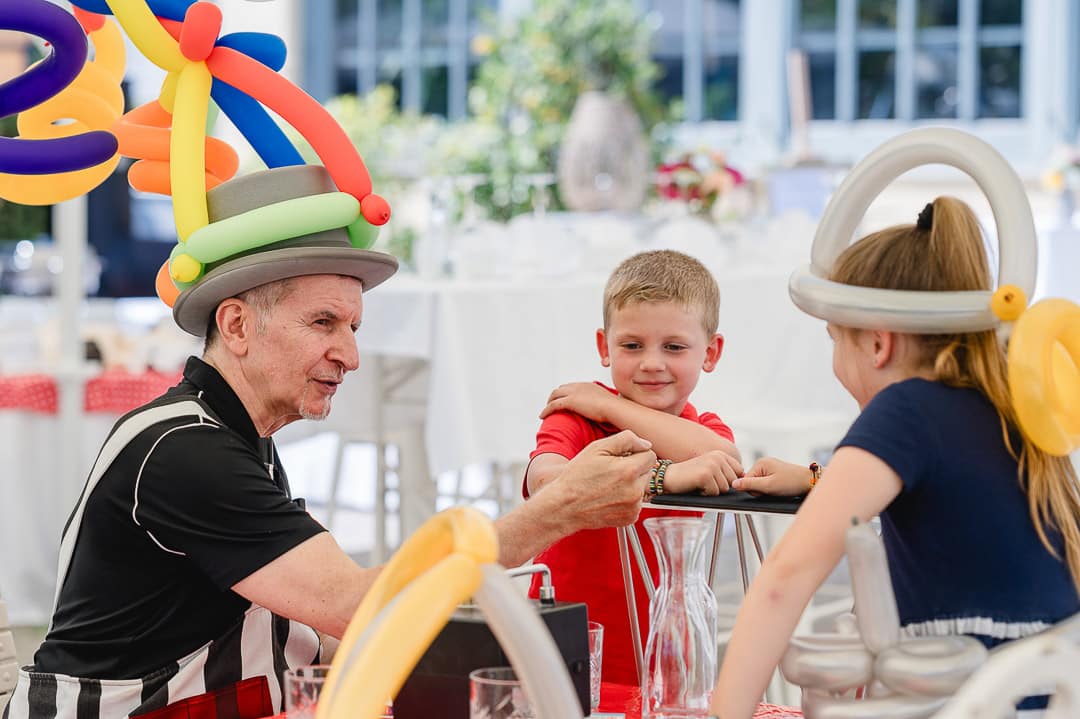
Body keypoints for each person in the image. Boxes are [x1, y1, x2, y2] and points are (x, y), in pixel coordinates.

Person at [4, 167, 657, 719]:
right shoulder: (186, 453)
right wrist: (557, 511)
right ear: (237, 325)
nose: (350, 354)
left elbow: (331, 620)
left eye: (353, 327)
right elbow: (358, 607)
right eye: (324, 322)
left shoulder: (231, 434)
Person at [709, 197, 1080, 718]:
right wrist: (820, 481)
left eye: (836, 340)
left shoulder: (906, 409)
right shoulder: (1003, 400)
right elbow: (954, 494)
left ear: (879, 344)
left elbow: (784, 580)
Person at [523, 249, 743, 685]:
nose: (651, 363)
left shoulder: (702, 430)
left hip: (666, 648)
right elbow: (545, 482)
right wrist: (668, 477)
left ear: (711, 352)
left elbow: (725, 460)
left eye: (674, 347)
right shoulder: (576, 418)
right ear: (604, 347)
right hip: (563, 641)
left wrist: (611, 405)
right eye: (631, 345)